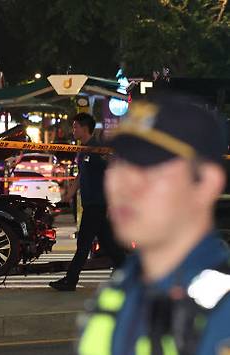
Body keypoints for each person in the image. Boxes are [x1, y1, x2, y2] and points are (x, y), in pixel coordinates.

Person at [78, 95, 230, 355]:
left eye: (149, 166)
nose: (124, 184)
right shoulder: (114, 297)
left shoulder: (222, 309)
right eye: (120, 162)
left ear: (206, 183)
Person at [50, 113, 125, 291]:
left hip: (97, 203)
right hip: (91, 202)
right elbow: (81, 175)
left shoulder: (98, 149)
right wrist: (69, 194)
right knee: (110, 245)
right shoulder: (83, 150)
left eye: (75, 126)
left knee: (83, 244)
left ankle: (70, 280)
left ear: (85, 128)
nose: (73, 130)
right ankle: (133, 274)